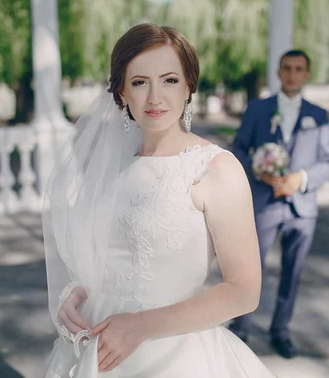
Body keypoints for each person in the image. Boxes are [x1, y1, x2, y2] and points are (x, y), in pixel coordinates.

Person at [42, 23, 276, 377]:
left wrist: (140, 327)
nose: (155, 97)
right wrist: (80, 292)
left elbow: (244, 291)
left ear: (188, 87)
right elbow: (111, 255)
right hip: (95, 344)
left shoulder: (216, 169)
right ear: (121, 93)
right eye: (139, 82)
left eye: (169, 80)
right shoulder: (113, 168)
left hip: (171, 354)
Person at [229, 50, 329, 358]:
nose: (292, 74)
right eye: (287, 68)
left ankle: (280, 330)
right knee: (251, 268)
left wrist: (301, 178)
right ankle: (240, 328)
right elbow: (238, 147)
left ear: (306, 74)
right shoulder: (257, 109)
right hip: (264, 202)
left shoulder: (318, 116)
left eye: (298, 69)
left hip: (302, 209)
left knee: (293, 273)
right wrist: (257, 169)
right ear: (278, 72)